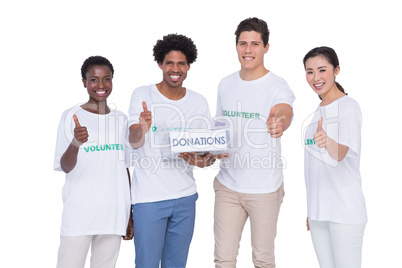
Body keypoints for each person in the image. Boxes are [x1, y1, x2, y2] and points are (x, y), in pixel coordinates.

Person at [128, 33, 220, 268]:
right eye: (169, 62)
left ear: (189, 66)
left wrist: (204, 162)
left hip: (185, 198)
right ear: (160, 64)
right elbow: (133, 141)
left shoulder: (198, 102)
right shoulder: (143, 95)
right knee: (146, 264)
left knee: (176, 264)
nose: (175, 69)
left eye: (181, 63)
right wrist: (142, 127)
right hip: (149, 199)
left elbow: (204, 153)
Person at [213, 17, 295, 267]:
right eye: (242, 43)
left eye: (255, 44)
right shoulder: (226, 83)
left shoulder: (277, 85)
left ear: (266, 47)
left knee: (262, 259)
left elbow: (285, 110)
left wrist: (279, 121)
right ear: (236, 46)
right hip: (227, 186)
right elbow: (220, 127)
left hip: (264, 189)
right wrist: (213, 150)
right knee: (223, 259)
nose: (248, 50)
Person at [53, 56, 133, 268]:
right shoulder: (71, 116)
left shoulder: (121, 119)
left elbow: (123, 166)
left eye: (106, 79)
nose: (101, 85)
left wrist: (129, 212)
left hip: (113, 213)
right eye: (94, 79)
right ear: (84, 81)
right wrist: (76, 143)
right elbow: (65, 166)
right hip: (80, 214)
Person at [303, 46, 368, 268]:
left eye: (322, 70)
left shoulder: (348, 107)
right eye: (310, 71)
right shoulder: (317, 112)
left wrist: (328, 141)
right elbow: (314, 168)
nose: (316, 77)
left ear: (336, 70)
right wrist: (312, 210)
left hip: (344, 212)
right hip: (319, 214)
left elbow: (342, 154)